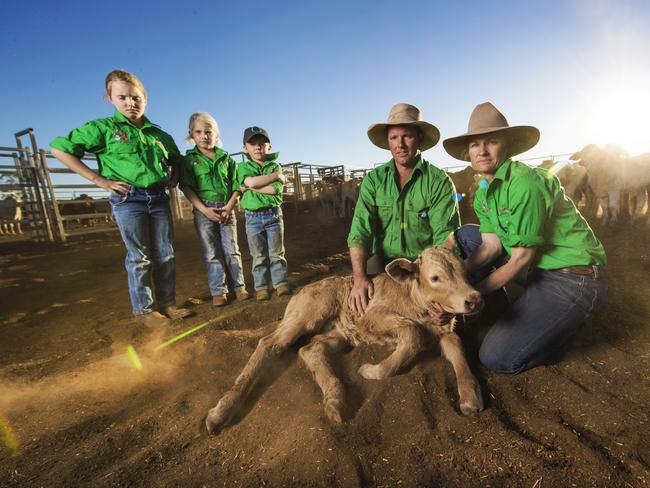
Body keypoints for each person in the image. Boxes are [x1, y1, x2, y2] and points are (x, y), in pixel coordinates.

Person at [443, 102, 607, 373]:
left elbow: (519, 260)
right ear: (468, 151)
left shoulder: (525, 185)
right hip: (537, 269)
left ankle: (553, 328)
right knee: (468, 237)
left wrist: (469, 294)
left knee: (498, 358)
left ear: (506, 146)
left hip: (572, 278)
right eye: (475, 144)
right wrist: (458, 279)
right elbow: (491, 245)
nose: (482, 150)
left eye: (492, 141)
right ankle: (509, 312)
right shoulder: (485, 189)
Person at [50, 69, 191, 328]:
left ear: (145, 99)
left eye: (136, 98)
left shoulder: (158, 134)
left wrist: (175, 174)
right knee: (140, 256)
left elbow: (176, 159)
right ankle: (146, 311)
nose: (130, 103)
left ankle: (168, 304)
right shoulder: (103, 129)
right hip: (129, 200)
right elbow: (59, 148)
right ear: (110, 98)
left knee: (165, 253)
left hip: (159, 199)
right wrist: (98, 180)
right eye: (123, 97)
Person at [347, 103, 460, 315]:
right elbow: (359, 230)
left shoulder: (438, 182)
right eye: (394, 138)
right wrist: (359, 278)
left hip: (422, 266)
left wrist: (438, 282)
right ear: (388, 142)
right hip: (382, 261)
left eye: (407, 136)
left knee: (440, 317)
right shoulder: (374, 180)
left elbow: (444, 239)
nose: (400, 144)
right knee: (365, 310)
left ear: (419, 139)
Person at [179, 112, 248, 306]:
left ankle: (239, 287)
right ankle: (219, 291)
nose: (204, 136)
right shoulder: (189, 160)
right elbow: (186, 187)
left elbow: (237, 185)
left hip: (226, 208)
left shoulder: (227, 159)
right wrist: (204, 210)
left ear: (216, 134)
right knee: (211, 251)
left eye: (208, 132)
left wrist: (229, 206)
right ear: (191, 134)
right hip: (204, 211)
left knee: (231, 249)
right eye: (198, 132)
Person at [235, 126, 290, 300]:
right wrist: (275, 176)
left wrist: (252, 187)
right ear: (245, 147)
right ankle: (261, 287)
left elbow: (274, 191)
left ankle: (280, 283)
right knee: (258, 255)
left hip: (274, 215)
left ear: (269, 146)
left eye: (262, 143)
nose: (258, 147)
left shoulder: (275, 165)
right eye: (253, 143)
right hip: (253, 217)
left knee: (276, 252)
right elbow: (251, 181)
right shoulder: (243, 166)